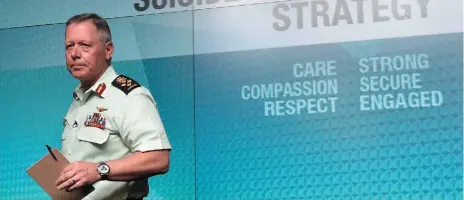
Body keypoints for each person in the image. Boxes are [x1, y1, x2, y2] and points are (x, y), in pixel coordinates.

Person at [55, 13, 171, 200]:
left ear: (108, 50)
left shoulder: (129, 96)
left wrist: (99, 169)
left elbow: (158, 158)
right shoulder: (78, 101)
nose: (74, 54)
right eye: (69, 46)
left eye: (84, 45)